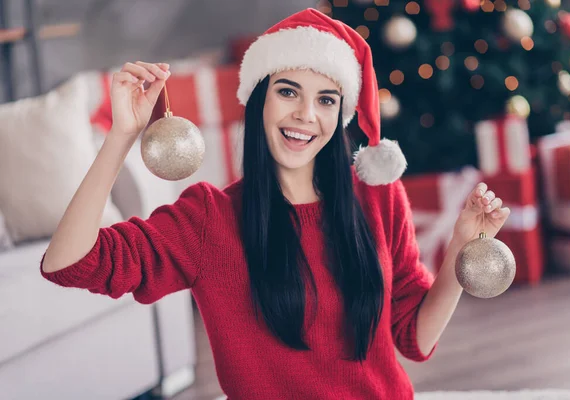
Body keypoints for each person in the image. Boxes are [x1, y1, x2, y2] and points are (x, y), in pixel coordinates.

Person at [41, 8, 511, 400]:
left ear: (340, 114)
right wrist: (122, 136)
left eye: (326, 100)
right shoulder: (208, 219)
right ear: (260, 99)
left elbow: (414, 339)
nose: (306, 115)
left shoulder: (377, 195)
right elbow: (69, 263)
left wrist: (458, 250)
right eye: (289, 92)